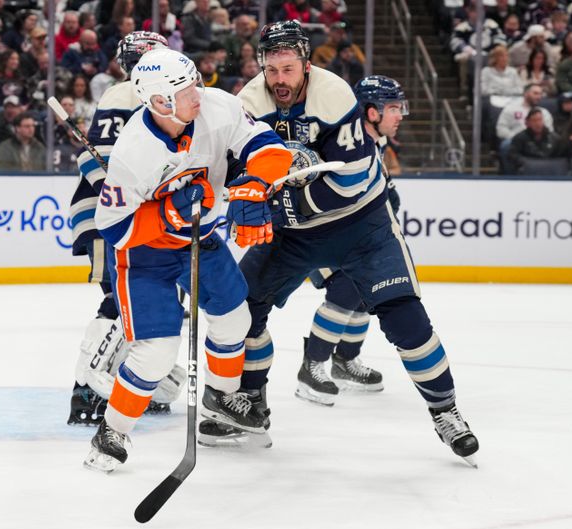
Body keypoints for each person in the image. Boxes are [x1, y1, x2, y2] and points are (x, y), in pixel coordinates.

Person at [199, 21, 480, 466]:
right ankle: (250, 405)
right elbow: (234, 168)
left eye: (288, 68)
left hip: (360, 224)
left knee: (405, 318)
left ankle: (446, 412)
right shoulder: (248, 102)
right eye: (271, 70)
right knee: (243, 307)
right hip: (294, 234)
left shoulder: (334, 95)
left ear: (306, 65)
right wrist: (235, 194)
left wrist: (270, 209)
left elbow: (345, 186)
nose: (279, 80)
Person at [84, 47, 292, 472]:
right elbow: (115, 228)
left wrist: (255, 183)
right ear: (160, 102)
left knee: (236, 319)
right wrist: (169, 213)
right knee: (156, 354)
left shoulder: (218, 106)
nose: (198, 92)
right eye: (185, 89)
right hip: (144, 258)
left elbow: (270, 148)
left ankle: (218, 405)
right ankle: (113, 430)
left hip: (200, 241)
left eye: (196, 80)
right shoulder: (134, 151)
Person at [67, 31, 188, 426]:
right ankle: (85, 387)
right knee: (119, 298)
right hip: (108, 217)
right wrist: (125, 196)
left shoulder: (166, 98)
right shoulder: (122, 96)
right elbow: (92, 165)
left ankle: (131, 377)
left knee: (142, 301)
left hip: (143, 220)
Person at [290, 75, 409, 408]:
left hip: (355, 233)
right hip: (327, 231)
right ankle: (312, 366)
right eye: (393, 108)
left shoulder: (377, 142)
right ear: (371, 112)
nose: (399, 115)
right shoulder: (349, 141)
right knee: (345, 289)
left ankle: (344, 361)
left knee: (363, 294)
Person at [495, 83, 554, 170]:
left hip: (538, 143)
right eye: (535, 93)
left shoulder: (544, 112)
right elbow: (500, 129)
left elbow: (550, 131)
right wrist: (516, 138)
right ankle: (509, 178)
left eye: (540, 94)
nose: (539, 97)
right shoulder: (511, 109)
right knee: (506, 145)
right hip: (516, 141)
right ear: (526, 93)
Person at [507, 107, 566, 173]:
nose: (538, 124)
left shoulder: (555, 138)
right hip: (528, 170)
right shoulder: (519, 138)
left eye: (540, 120)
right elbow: (513, 155)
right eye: (534, 120)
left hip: (549, 170)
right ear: (527, 123)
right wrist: (526, 162)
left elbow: (561, 157)